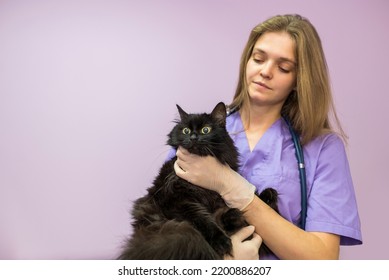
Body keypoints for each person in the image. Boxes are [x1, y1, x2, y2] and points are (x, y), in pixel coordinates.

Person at [173, 14, 362, 259]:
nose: (265, 72)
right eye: (258, 59)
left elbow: (323, 259)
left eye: (283, 67)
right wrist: (220, 263)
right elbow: (161, 220)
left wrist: (234, 189)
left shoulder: (323, 147)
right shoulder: (198, 133)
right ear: (246, 62)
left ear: (298, 80)